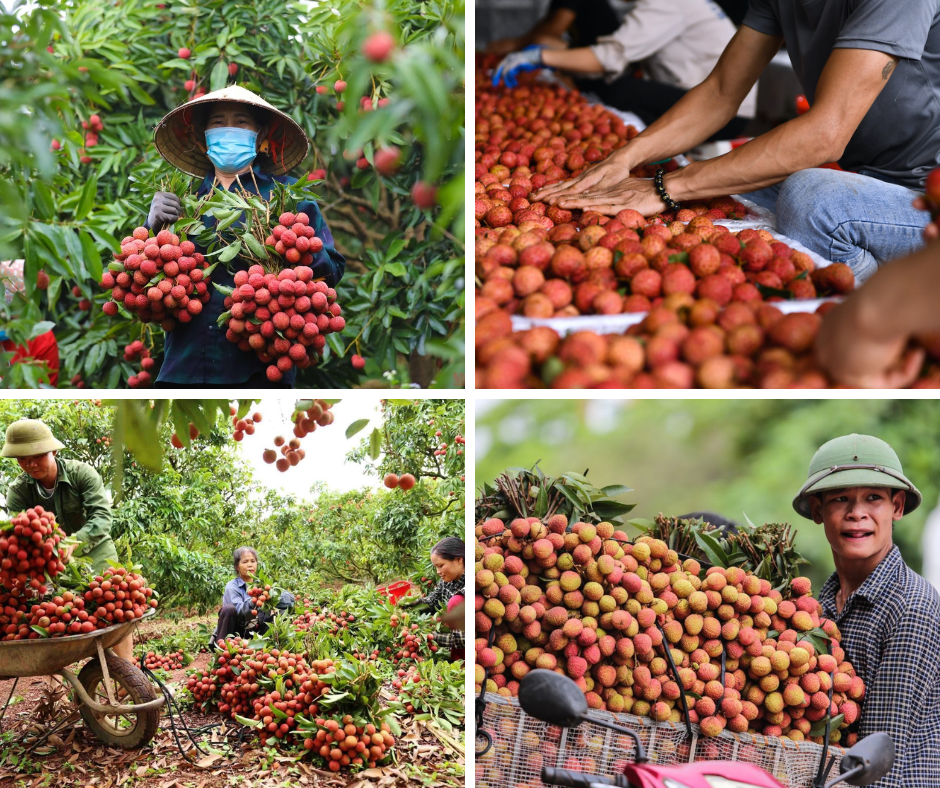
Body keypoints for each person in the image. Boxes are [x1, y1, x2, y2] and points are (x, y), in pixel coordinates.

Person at [534, 0, 939, 282]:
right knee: (733, 183)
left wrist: (666, 187)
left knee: (811, 195)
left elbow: (825, 135)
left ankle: (888, 301)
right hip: (868, 178)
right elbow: (720, 92)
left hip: (926, 198)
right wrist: (623, 159)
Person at [147, 86, 345, 388]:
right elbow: (149, 277)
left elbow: (332, 269)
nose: (228, 130)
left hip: (259, 368)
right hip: (183, 367)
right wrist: (152, 227)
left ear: (261, 134)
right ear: (202, 138)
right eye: (217, 123)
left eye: (241, 122)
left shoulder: (291, 199)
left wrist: (298, 245)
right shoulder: (182, 200)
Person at [792, 434, 940, 788]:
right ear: (817, 510)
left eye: (873, 498)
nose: (856, 513)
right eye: (841, 499)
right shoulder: (818, 606)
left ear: (897, 507)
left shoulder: (911, 606)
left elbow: (876, 765)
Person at [492, 0, 755, 140]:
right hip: (720, 102)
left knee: (619, 92)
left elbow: (609, 59)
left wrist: (540, 56)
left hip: (721, 111)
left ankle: (663, 149)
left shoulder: (666, 4)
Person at [1, 419, 131, 662]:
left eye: (37, 455)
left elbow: (102, 517)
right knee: (50, 616)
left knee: (116, 610)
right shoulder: (18, 490)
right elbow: (21, 535)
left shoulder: (81, 473)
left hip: (96, 550)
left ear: (54, 451)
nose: (30, 463)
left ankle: (127, 670)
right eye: (22, 458)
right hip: (51, 561)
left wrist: (73, 543)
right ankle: (56, 684)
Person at [210, 546, 294, 648]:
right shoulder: (232, 586)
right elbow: (238, 611)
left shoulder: (262, 585)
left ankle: (269, 645)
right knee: (228, 609)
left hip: (258, 632)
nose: (250, 565)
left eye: (252, 561)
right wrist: (254, 601)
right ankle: (223, 647)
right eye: (245, 562)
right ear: (237, 566)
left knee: (282, 611)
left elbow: (290, 599)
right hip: (236, 632)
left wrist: (271, 595)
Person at [400, 537, 465, 660]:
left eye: (441, 566)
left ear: (458, 560)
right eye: (436, 567)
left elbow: (463, 639)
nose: (438, 572)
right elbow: (431, 601)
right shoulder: (447, 581)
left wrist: (431, 636)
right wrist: (410, 604)